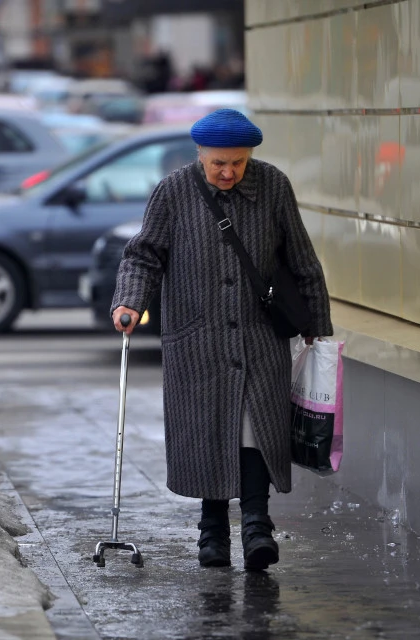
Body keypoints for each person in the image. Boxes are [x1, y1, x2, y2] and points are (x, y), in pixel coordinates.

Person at [110, 109, 333, 571]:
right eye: (219, 164)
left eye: (238, 163)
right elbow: (144, 254)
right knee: (209, 433)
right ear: (201, 156)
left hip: (259, 336)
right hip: (197, 339)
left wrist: (317, 325)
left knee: (254, 432)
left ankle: (257, 529)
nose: (229, 172)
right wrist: (129, 301)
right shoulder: (173, 191)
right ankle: (211, 533)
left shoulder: (273, 186)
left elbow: (302, 260)